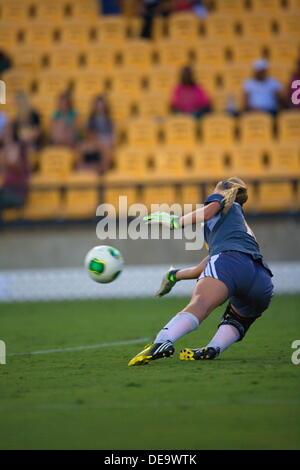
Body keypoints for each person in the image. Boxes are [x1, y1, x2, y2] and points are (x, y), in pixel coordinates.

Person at [128, 177, 274, 366]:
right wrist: (174, 276)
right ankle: (215, 347)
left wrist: (175, 221)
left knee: (199, 305)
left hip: (229, 263)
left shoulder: (223, 200)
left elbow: (209, 212)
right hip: (261, 278)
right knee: (238, 319)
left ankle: (162, 341)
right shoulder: (237, 226)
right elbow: (204, 268)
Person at [77, 95, 114, 174]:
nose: (99, 107)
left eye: (101, 105)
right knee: (82, 147)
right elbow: (88, 134)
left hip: (105, 142)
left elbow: (111, 137)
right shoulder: (90, 120)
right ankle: (84, 168)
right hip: (93, 141)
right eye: (98, 105)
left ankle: (102, 168)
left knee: (105, 148)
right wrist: (94, 140)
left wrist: (100, 141)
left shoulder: (109, 120)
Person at [0, 123, 29, 214]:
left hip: (18, 194)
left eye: (8, 132)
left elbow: (16, 165)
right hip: (6, 191)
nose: (6, 134)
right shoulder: (5, 150)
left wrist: (5, 157)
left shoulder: (19, 149)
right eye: (5, 132)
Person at [12, 91, 42, 157]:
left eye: (19, 103)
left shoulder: (34, 114)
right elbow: (15, 135)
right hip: (20, 143)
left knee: (28, 151)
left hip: (32, 143)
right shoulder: (17, 118)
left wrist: (27, 138)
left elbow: (37, 131)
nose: (18, 106)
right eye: (17, 104)